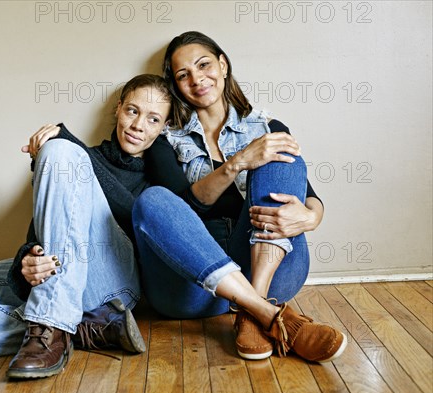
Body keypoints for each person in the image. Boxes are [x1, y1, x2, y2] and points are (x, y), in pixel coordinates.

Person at [0, 74, 172, 379]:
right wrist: (28, 259)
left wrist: (65, 141)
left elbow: (134, 214)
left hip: (111, 287)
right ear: (118, 108)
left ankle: (53, 324)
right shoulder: (81, 159)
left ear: (163, 128)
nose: (138, 125)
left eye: (153, 119)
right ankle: (79, 327)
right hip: (61, 282)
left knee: (60, 153)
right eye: (132, 111)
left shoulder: (159, 176)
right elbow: (47, 229)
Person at [132, 31, 347, 362]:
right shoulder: (165, 139)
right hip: (194, 287)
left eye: (204, 65)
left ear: (223, 65)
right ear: (175, 85)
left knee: (280, 154)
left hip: (271, 269)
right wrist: (238, 163)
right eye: (183, 74)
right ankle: (268, 315)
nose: (197, 79)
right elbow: (177, 211)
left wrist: (312, 217)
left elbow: (308, 194)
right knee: (152, 201)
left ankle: (254, 306)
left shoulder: (266, 126)